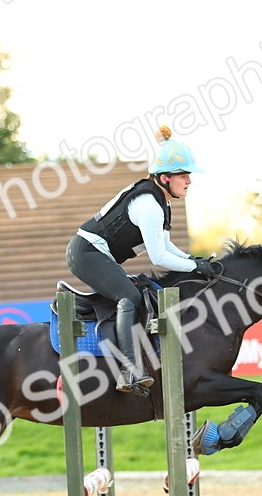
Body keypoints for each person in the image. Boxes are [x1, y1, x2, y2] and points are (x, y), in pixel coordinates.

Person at [66, 126, 215, 395]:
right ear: (165, 177)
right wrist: (194, 266)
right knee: (130, 298)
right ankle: (129, 370)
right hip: (85, 253)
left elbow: (166, 245)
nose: (189, 181)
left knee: (135, 294)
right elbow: (158, 257)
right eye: (184, 175)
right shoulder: (148, 203)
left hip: (93, 253)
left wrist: (194, 260)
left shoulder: (159, 200)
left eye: (188, 174)